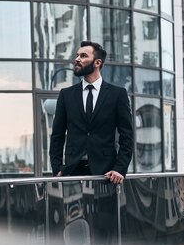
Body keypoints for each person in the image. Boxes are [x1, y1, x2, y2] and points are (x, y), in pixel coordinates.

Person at [50, 41, 133, 184]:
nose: (77, 59)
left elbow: (127, 136)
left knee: (106, 207)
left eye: (83, 56)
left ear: (97, 62)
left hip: (107, 174)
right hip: (72, 172)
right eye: (77, 55)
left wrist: (120, 168)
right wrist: (57, 168)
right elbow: (57, 135)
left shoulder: (117, 94)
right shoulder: (66, 95)